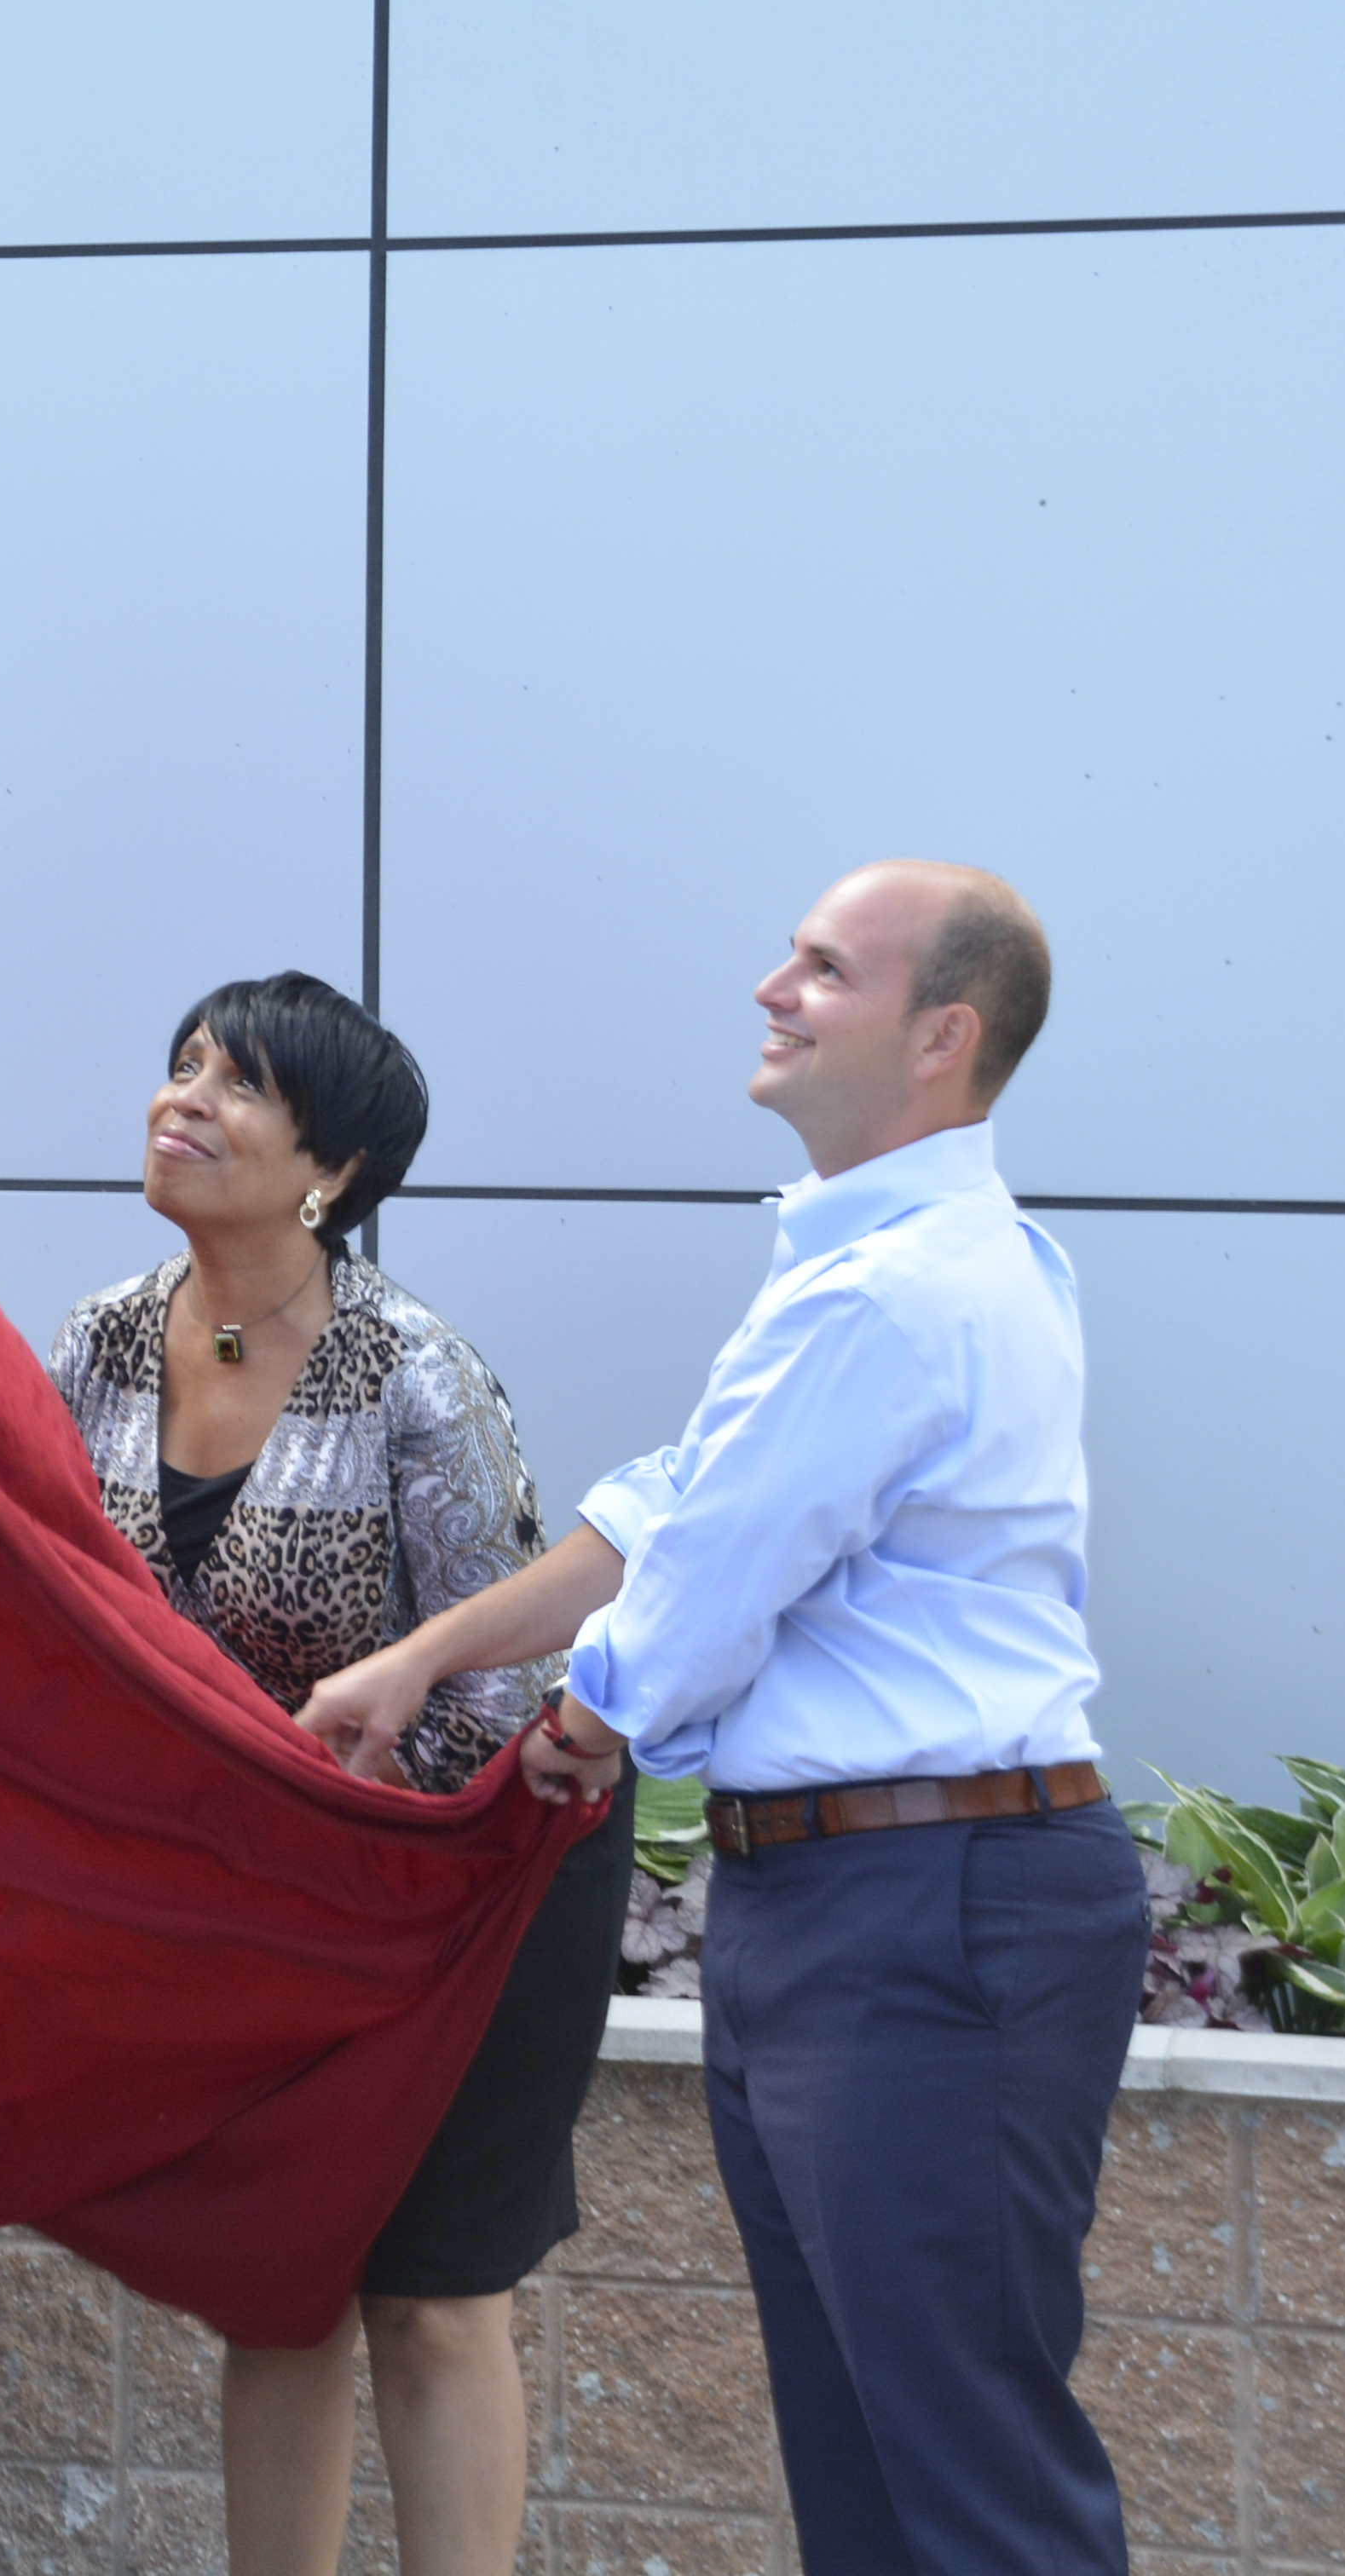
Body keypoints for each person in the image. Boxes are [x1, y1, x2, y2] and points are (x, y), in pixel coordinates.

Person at [302, 862, 1124, 2576]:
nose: (775, 985)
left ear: (942, 1030)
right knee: (872, 2451)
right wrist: (431, 1657)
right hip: (853, 1902)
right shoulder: (882, 1267)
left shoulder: (895, 1287)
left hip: (927, 1902)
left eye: (826, 968)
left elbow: (699, 1589)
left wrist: (587, 1716)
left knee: (963, 2465)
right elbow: (667, 1510)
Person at [47, 972, 628, 2576]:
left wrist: (334, 1846)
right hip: (258, 1888)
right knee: (276, 2279)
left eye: (237, 1083)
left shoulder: (407, 1366)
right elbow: (49, 1608)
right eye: (178, 1066)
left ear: (334, 1166)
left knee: (433, 2295)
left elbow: (501, 1679)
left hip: (469, 1863)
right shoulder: (94, 1341)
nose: (184, 1100)